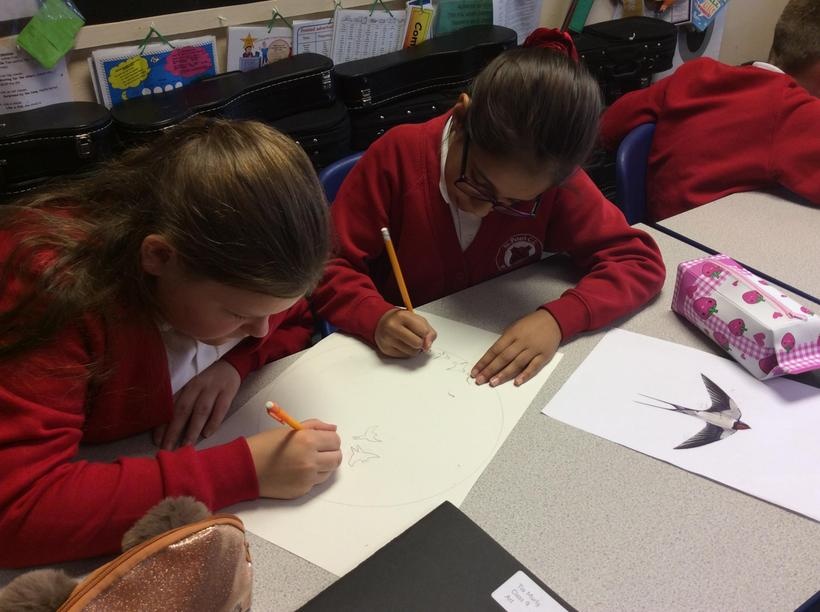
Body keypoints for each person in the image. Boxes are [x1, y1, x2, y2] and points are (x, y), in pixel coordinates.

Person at [0, 118, 343, 568]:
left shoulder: (244, 281)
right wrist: (244, 471)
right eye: (237, 315)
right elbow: (18, 512)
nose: (261, 330)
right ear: (159, 257)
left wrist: (235, 363)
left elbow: (292, 319)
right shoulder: (50, 289)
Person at [311, 30, 666, 389]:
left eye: (515, 203)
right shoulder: (397, 159)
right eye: (479, 183)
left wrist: (558, 319)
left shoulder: (554, 176)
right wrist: (377, 317)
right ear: (461, 118)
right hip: (399, 372)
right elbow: (325, 269)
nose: (482, 210)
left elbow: (638, 261)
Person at [599, 0, 820, 221]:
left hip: (663, 231)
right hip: (712, 240)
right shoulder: (795, 112)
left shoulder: (697, 73)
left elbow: (609, 124)